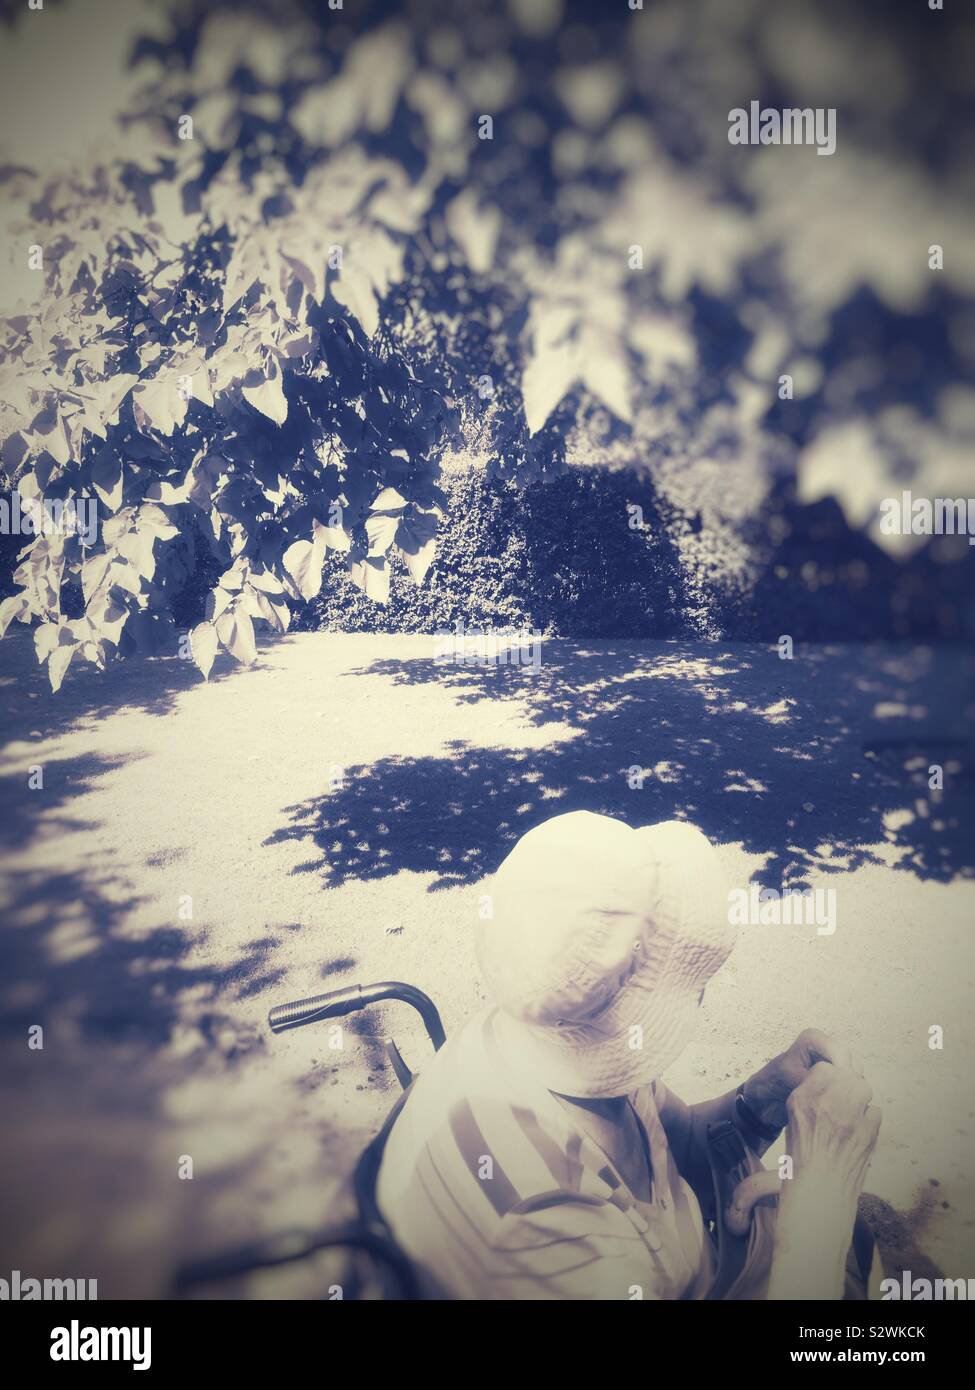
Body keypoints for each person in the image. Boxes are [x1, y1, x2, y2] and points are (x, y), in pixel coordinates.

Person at [376, 811, 882, 1300]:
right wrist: (821, 1211)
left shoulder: (558, 1033)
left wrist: (761, 1099)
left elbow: (676, 1142)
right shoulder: (549, 1222)